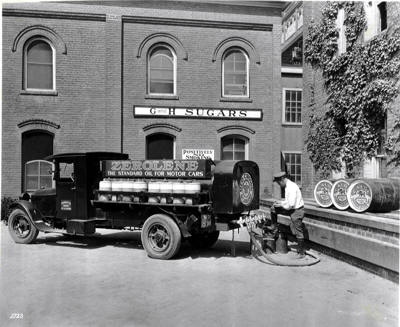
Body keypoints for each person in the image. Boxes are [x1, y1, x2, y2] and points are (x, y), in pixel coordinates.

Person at [268, 172, 306, 258]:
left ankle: (301, 253)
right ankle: (274, 226)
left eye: (278, 183)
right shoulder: (288, 186)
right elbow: (288, 202)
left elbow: (291, 205)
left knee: (298, 232)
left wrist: (281, 205)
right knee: (273, 209)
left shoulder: (291, 187)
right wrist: (280, 202)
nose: (279, 185)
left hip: (297, 211)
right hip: (292, 209)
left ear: (282, 180)